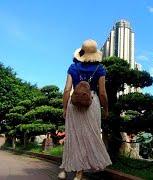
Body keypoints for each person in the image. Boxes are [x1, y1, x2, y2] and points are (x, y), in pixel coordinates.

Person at [58, 39, 112, 180]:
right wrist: (106, 109)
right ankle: (79, 173)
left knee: (73, 137)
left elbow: (67, 89)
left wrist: (64, 108)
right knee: (88, 136)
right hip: (92, 103)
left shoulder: (73, 67)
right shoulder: (100, 69)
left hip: (73, 104)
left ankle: (64, 169)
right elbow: (102, 93)